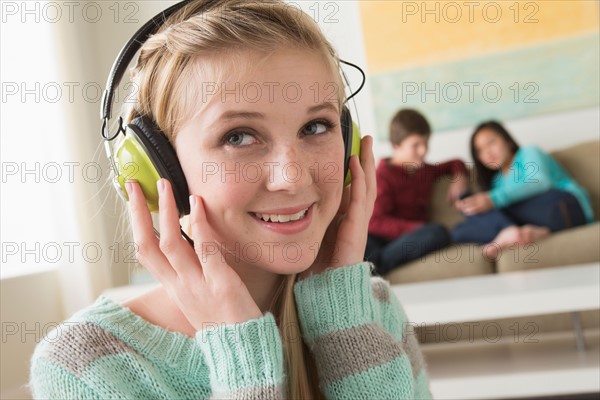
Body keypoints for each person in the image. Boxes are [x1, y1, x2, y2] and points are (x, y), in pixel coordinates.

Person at [28, 1, 432, 399]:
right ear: (160, 169)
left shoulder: (372, 310)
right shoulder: (87, 366)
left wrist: (344, 324)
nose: (291, 176)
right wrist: (241, 360)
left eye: (315, 126)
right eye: (237, 136)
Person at [452, 120, 594, 259]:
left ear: (507, 140)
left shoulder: (528, 152)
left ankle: (509, 230)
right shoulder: (497, 183)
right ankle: (522, 232)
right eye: (480, 151)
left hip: (562, 205)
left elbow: (539, 181)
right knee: (459, 231)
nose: (487, 152)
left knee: (484, 209)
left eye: (491, 142)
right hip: (536, 220)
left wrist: (492, 199)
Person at [365, 109, 469, 276]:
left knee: (438, 233)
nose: (423, 151)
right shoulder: (382, 176)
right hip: (383, 238)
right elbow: (375, 222)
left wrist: (459, 177)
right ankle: (376, 266)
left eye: (426, 143)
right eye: (416, 145)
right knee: (364, 242)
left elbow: (455, 162)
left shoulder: (425, 170)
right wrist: (415, 227)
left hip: (414, 238)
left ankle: (377, 267)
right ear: (395, 146)